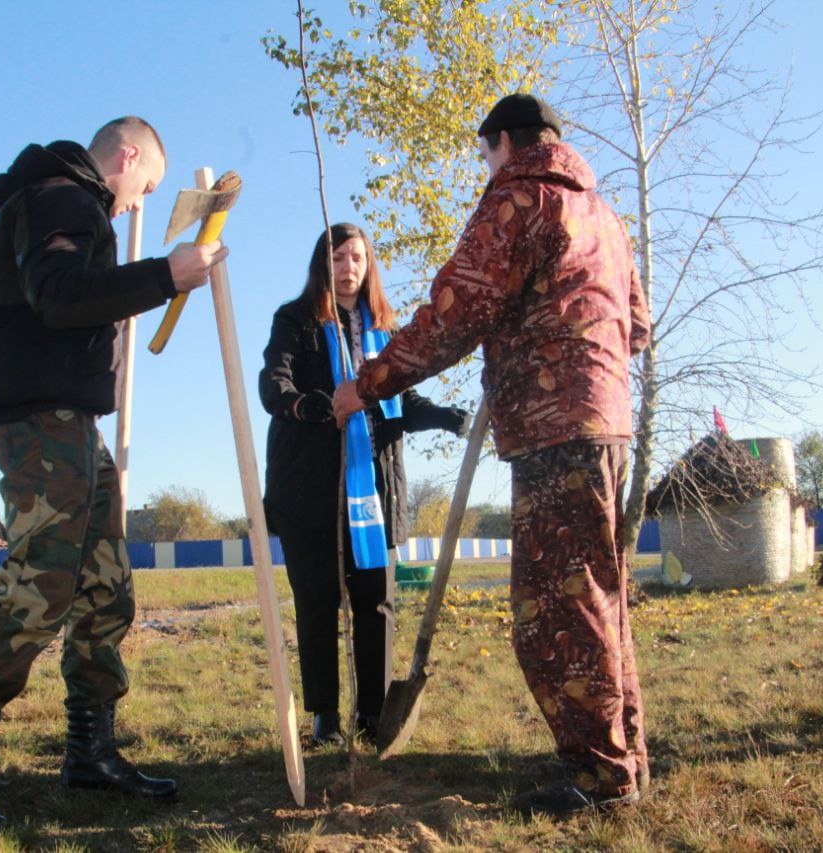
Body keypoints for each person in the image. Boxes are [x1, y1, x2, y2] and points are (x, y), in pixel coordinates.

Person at [0, 117, 227, 841]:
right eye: (140, 189)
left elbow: (70, 294)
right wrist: (164, 275)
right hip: (40, 420)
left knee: (105, 584)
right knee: (43, 580)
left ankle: (91, 748)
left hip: (73, 422)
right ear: (125, 157)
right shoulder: (60, 197)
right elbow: (57, 293)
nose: (133, 206)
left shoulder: (68, 200)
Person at [333, 94, 652, 815]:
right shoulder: (604, 216)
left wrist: (369, 382)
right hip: (607, 424)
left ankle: (601, 777)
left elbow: (457, 309)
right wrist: (542, 334)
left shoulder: (518, 199)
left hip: (553, 431)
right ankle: (626, 759)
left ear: (504, 143)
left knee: (554, 611)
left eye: (486, 153)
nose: (486, 166)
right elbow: (635, 326)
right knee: (600, 595)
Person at [260, 223, 469, 747]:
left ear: (368, 265)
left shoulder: (384, 331)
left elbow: (401, 403)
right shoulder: (295, 320)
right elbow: (274, 384)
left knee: (375, 600)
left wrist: (449, 417)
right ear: (321, 265)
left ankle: (373, 712)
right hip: (311, 487)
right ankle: (325, 716)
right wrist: (309, 404)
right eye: (336, 258)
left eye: (356, 257)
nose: (347, 267)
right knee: (316, 598)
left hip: (371, 491)